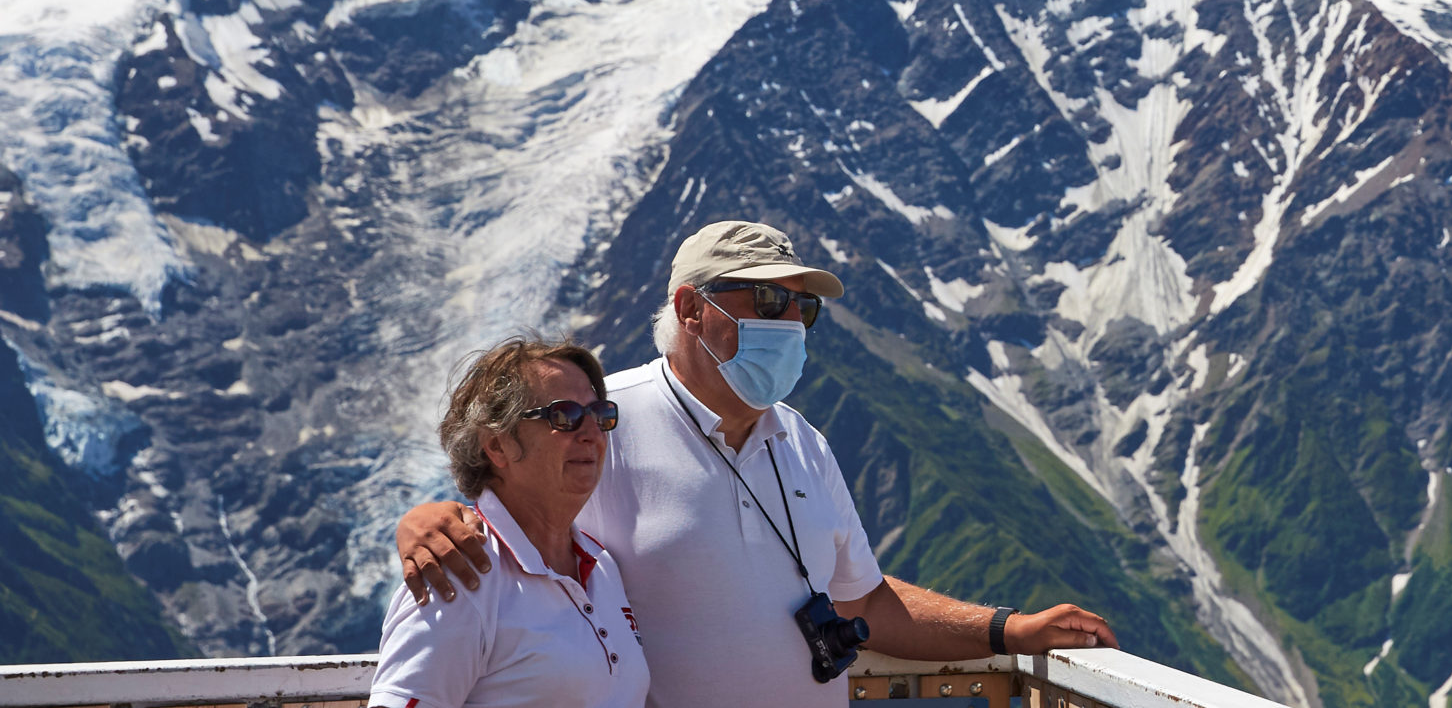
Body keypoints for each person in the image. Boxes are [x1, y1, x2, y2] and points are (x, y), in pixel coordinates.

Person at [396, 222, 1114, 707]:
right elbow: (513, 508)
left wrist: (1004, 630)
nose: (792, 321)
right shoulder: (606, 420)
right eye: (768, 297)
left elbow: (860, 602)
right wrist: (429, 518)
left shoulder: (804, 441)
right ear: (691, 308)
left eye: (804, 306)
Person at [370, 337, 646, 708]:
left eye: (600, 414)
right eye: (564, 415)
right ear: (497, 446)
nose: (592, 432)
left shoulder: (602, 566)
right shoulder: (459, 574)